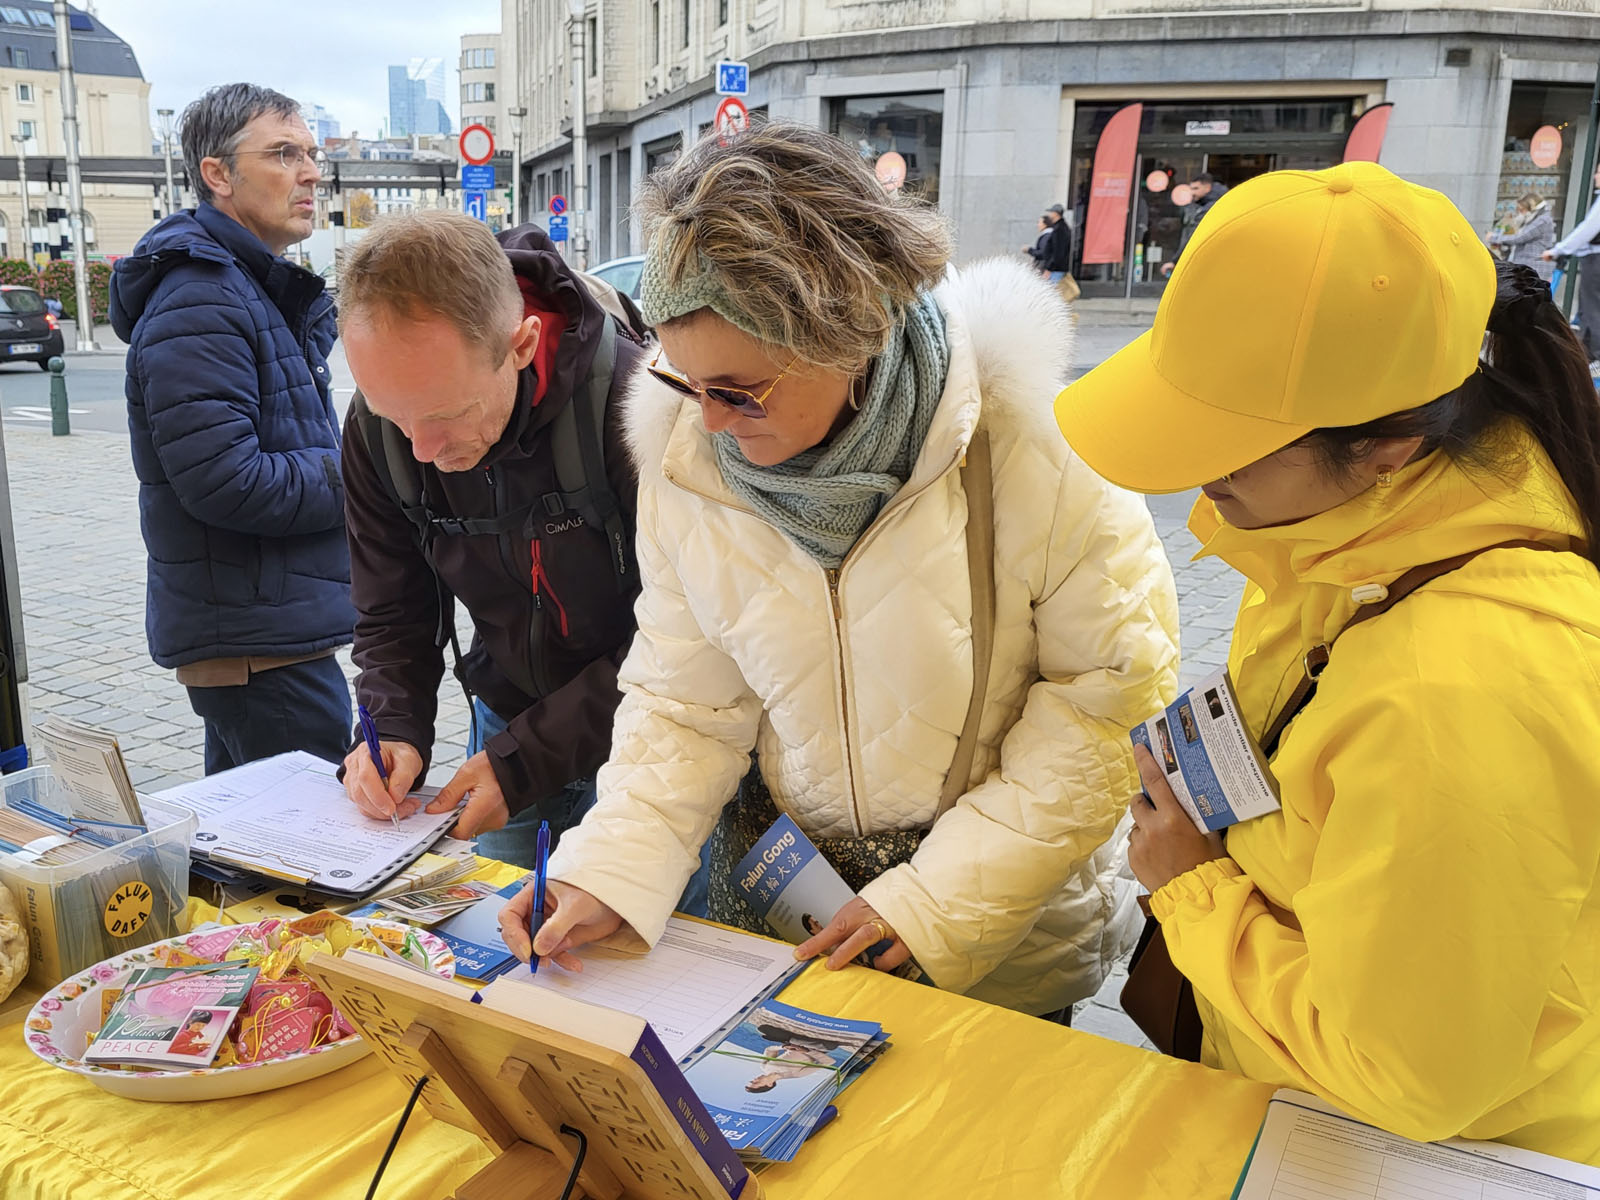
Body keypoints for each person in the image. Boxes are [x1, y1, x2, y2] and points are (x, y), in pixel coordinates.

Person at [501, 122, 1180, 1021]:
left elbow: (1105, 708)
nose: (709, 422)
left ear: (850, 333)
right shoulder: (685, 460)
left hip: (994, 929)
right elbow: (684, 700)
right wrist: (610, 871)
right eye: (684, 382)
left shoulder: (1036, 446)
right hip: (793, 903)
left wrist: (933, 903)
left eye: (738, 390)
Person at [1056, 161, 1600, 1161]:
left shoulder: (1457, 688)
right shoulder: (1347, 541)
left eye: (1227, 445)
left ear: (1388, 445)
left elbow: (1410, 1074)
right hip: (1292, 1098)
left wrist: (1192, 889)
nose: (1197, 480)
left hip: (1402, 1154)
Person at [335, 211, 653, 871]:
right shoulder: (376, 430)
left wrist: (522, 763)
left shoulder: (635, 407)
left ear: (524, 345)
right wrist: (392, 727)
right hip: (507, 720)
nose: (422, 450)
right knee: (499, 924)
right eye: (396, 417)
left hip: (647, 735)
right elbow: (392, 612)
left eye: (446, 415)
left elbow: (685, 639)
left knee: (644, 927)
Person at [108, 83, 353, 774]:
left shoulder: (242, 286)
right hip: (260, 643)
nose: (311, 173)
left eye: (312, 154)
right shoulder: (203, 297)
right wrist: (361, 474)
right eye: (284, 154)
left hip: (266, 632)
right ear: (218, 174)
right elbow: (227, 480)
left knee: (246, 833)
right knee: (302, 833)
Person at [1543, 163, 1600, 368]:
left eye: (1599, 172)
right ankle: (1588, 356)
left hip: (1596, 259)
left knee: (1592, 308)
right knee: (1587, 309)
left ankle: (1594, 357)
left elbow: (1587, 230)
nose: (1595, 176)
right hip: (1592, 257)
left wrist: (1558, 250)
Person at [1160, 172, 1229, 277]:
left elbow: (1193, 235)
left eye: (1196, 188)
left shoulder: (1208, 207)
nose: (1192, 192)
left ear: (1207, 188)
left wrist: (1175, 261)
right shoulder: (1208, 203)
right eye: (1191, 189)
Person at [1489, 192, 1555, 281]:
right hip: (1526, 265)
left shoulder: (1542, 220)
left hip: (1534, 266)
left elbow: (1520, 237)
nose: (1520, 213)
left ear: (1531, 207)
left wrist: (1495, 238)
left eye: (1522, 209)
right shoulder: (1533, 219)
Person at [1040, 203, 1074, 284]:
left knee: (1051, 289)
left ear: (1056, 214)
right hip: (1057, 268)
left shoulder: (1059, 229)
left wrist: (1049, 268)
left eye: (1051, 212)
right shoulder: (1060, 227)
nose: (1049, 214)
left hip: (1056, 269)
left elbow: (1057, 252)